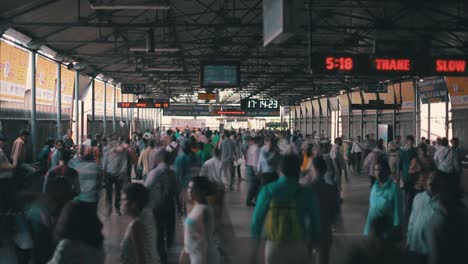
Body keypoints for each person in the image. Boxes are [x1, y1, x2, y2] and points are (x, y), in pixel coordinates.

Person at [250, 145, 321, 264]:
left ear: (279, 170)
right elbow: (315, 222)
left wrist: (254, 250)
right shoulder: (307, 193)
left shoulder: (268, 190)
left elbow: (257, 221)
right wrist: (314, 247)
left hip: (274, 246)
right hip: (298, 245)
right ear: (298, 171)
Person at [302, 156, 340, 264]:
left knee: (307, 258)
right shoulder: (332, 189)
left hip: (309, 230)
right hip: (325, 230)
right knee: (323, 260)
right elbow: (335, 213)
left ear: (313, 168)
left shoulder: (307, 189)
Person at [406, 170, 449, 264]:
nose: (431, 182)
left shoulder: (443, 204)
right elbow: (412, 219)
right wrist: (409, 238)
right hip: (414, 245)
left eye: (436, 180)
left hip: (429, 250)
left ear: (441, 183)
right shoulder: (418, 197)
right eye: (430, 178)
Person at [144, 150, 178, 264]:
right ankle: (167, 248)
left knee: (158, 232)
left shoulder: (153, 173)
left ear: (158, 160)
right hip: (170, 207)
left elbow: (146, 189)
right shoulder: (173, 173)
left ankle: (162, 255)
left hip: (156, 208)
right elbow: (177, 192)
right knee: (169, 231)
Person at [178, 177, 220, 264]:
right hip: (196, 255)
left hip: (204, 257)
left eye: (193, 189)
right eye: (189, 188)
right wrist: (184, 253)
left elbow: (205, 240)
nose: (189, 191)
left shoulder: (204, 210)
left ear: (203, 191)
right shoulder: (195, 207)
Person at [120, 183, 158, 264]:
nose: (121, 203)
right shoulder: (148, 216)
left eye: (123, 200)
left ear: (134, 203)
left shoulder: (136, 226)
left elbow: (141, 258)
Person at [364, 158, 401, 237]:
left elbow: (397, 211)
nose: (378, 172)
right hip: (373, 228)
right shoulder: (374, 187)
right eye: (376, 170)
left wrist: (396, 228)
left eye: (381, 170)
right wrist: (366, 230)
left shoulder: (393, 188)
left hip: (386, 230)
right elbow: (371, 210)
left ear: (387, 171)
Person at [43, 149, 80, 216]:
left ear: (59, 160)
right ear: (69, 159)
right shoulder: (73, 172)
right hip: (67, 204)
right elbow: (78, 191)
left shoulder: (50, 172)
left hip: (53, 204)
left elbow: (45, 190)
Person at [70, 145, 102, 212]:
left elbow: (73, 185)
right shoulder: (97, 167)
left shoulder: (76, 167)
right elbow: (99, 184)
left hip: (79, 199)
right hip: (92, 199)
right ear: (92, 159)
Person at [103, 140, 129, 216]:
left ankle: (117, 208)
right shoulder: (107, 153)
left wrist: (122, 172)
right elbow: (104, 163)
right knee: (108, 192)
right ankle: (109, 207)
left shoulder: (122, 152)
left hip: (118, 175)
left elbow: (125, 162)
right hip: (109, 174)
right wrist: (104, 173)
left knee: (118, 192)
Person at [400, 135, 417, 216]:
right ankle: (407, 206)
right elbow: (399, 164)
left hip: (413, 175)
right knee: (406, 192)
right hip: (405, 175)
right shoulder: (403, 151)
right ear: (407, 142)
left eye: (412, 141)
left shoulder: (415, 150)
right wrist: (399, 175)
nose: (411, 143)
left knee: (412, 192)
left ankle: (410, 206)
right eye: (409, 141)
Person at [245, 136, 260, 207]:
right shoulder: (255, 148)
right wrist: (256, 171)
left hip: (249, 167)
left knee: (254, 185)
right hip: (252, 169)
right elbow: (254, 161)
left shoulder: (250, 148)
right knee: (253, 186)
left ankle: (251, 200)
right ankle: (249, 201)